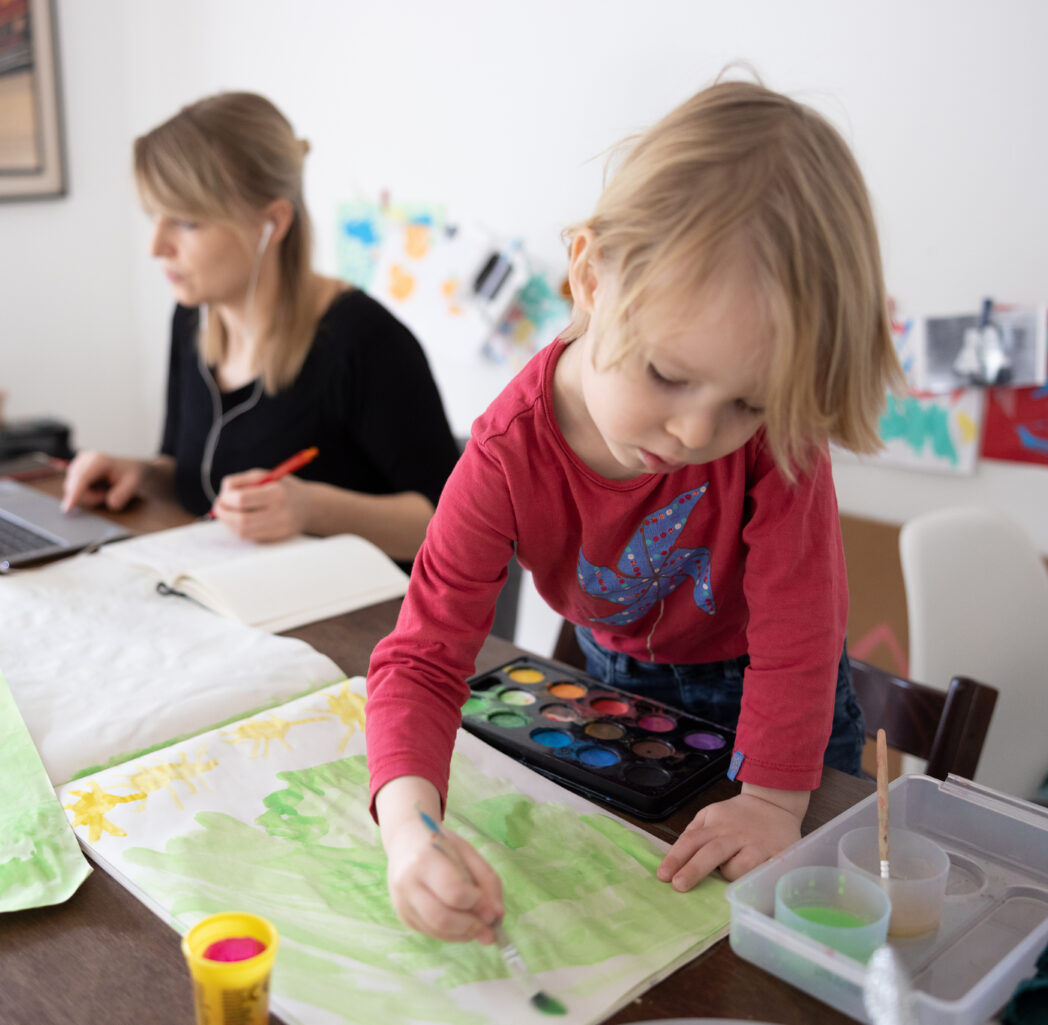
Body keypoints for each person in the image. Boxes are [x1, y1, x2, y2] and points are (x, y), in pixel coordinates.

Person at [365, 78, 902, 944]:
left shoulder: (780, 437)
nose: (698, 431)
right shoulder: (506, 452)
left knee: (780, 939)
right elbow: (423, 660)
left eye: (747, 404)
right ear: (589, 273)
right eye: (667, 374)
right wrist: (407, 830)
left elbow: (800, 636)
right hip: (617, 684)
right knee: (637, 923)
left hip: (775, 709)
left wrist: (770, 799)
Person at [62, 92, 460, 562]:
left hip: (351, 622)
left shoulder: (366, 340)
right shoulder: (191, 317)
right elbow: (193, 473)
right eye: (154, 216)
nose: (156, 246)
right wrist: (143, 475)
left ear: (271, 223)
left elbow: (451, 524)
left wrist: (313, 509)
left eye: (187, 221)